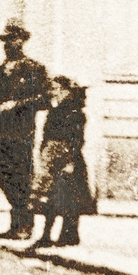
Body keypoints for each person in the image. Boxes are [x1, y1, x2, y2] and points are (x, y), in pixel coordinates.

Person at [0, 19, 49, 240]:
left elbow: (45, 98)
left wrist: (19, 104)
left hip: (23, 132)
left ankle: (25, 225)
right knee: (6, 179)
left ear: (22, 41)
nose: (7, 44)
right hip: (3, 133)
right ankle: (14, 224)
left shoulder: (34, 69)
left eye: (12, 39)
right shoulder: (1, 70)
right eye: (5, 40)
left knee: (22, 178)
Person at [29, 76, 96, 249]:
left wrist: (70, 162)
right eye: (52, 88)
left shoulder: (75, 112)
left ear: (66, 91)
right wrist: (44, 153)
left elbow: (77, 140)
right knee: (50, 199)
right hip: (52, 161)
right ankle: (47, 235)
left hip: (68, 160)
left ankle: (69, 235)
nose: (53, 92)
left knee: (68, 201)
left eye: (57, 88)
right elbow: (47, 135)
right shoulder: (55, 109)